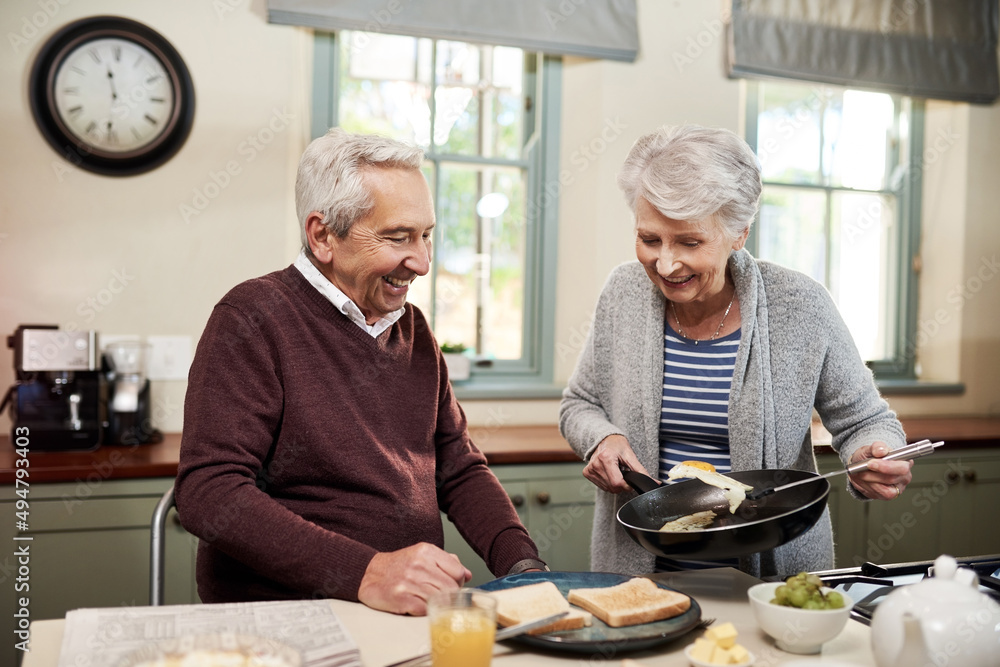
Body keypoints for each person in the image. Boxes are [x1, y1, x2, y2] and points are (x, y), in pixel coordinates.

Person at [175, 128, 546, 615]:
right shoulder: (252, 317)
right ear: (323, 235)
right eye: (398, 237)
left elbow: (458, 466)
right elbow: (208, 493)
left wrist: (524, 567)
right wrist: (369, 572)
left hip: (404, 611)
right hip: (288, 616)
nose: (422, 262)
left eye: (427, 235)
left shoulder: (412, 328)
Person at [559, 125, 912, 579]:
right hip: (640, 576)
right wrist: (602, 438)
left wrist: (872, 455)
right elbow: (579, 405)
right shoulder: (622, 293)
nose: (666, 264)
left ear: (738, 233)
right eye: (650, 240)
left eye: (689, 242)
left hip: (771, 578)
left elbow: (866, 421)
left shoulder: (800, 305)